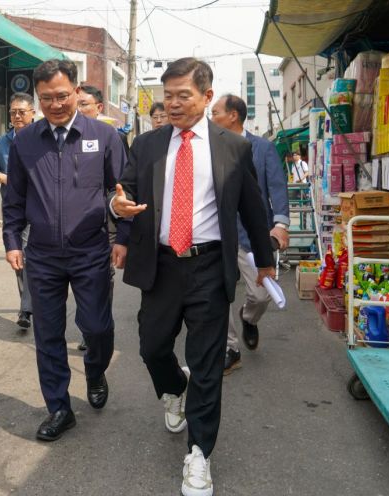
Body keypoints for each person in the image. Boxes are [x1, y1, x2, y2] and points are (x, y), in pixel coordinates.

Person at [110, 58, 275, 496]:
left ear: (206, 96)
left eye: (184, 95)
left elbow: (252, 209)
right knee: (151, 347)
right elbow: (124, 192)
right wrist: (117, 209)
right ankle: (173, 389)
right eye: (168, 96)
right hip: (161, 265)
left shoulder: (233, 147)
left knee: (207, 364)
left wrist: (265, 259)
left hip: (208, 265)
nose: (175, 104)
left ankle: (199, 454)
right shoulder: (147, 144)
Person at [2, 59, 128, 442]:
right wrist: (11, 241)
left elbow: (122, 192)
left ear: (76, 90)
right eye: (46, 99)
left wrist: (122, 236)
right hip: (41, 254)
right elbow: (15, 198)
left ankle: (94, 368)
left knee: (97, 327)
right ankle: (59, 408)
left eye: (61, 95)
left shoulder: (104, 137)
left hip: (91, 251)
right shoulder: (25, 141)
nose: (54, 105)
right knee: (49, 334)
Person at [210, 94, 290, 373]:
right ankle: (230, 348)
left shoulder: (262, 147)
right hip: (217, 233)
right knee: (219, 293)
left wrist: (279, 224)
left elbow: (277, 187)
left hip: (249, 235)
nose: (211, 117)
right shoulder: (209, 147)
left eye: (215, 112)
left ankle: (249, 319)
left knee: (260, 295)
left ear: (233, 115)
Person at [75, 83, 130, 351]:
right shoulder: (61, 137)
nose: (79, 109)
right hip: (67, 233)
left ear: (98, 107)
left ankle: (97, 329)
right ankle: (92, 326)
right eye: (76, 104)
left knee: (99, 281)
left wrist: (121, 232)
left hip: (102, 226)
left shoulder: (109, 137)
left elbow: (119, 186)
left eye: (84, 104)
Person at [0, 92, 35, 331]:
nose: (16, 116)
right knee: (18, 254)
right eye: (13, 112)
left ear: (32, 113)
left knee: (37, 258)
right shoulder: (2, 142)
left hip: (41, 208)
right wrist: (5, 178)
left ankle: (37, 303)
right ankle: (26, 308)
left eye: (21, 112)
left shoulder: (43, 138)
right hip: (14, 208)